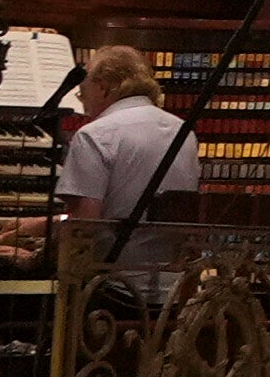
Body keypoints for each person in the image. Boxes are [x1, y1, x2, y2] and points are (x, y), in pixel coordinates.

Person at [54, 43, 203, 294]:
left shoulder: (95, 134)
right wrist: (40, 224)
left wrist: (34, 255)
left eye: (83, 94)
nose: (84, 104)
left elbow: (85, 226)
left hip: (113, 289)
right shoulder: (183, 132)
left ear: (102, 87)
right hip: (174, 290)